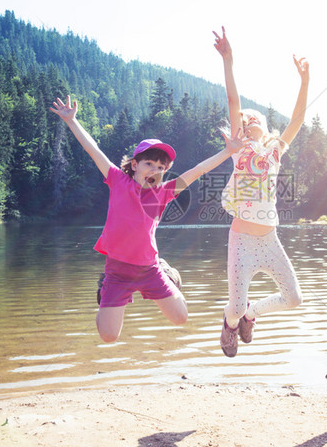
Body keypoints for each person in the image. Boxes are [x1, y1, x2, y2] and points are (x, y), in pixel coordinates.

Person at [50, 94, 243, 343]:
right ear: (134, 164)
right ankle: (104, 290)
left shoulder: (164, 193)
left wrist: (227, 151)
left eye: (161, 167)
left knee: (181, 318)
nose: (155, 170)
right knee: (108, 336)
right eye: (149, 163)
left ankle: (168, 272)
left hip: (150, 269)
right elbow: (93, 150)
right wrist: (72, 122)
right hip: (117, 272)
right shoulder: (117, 180)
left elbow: (198, 171)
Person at [212, 27, 309, 357]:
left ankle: (251, 315)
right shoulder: (239, 151)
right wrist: (229, 61)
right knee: (234, 305)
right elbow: (232, 100)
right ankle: (231, 322)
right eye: (243, 118)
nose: (246, 117)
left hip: (269, 240)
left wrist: (305, 81)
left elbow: (297, 119)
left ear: (265, 129)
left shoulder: (275, 152)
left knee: (294, 299)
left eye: (253, 118)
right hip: (241, 239)